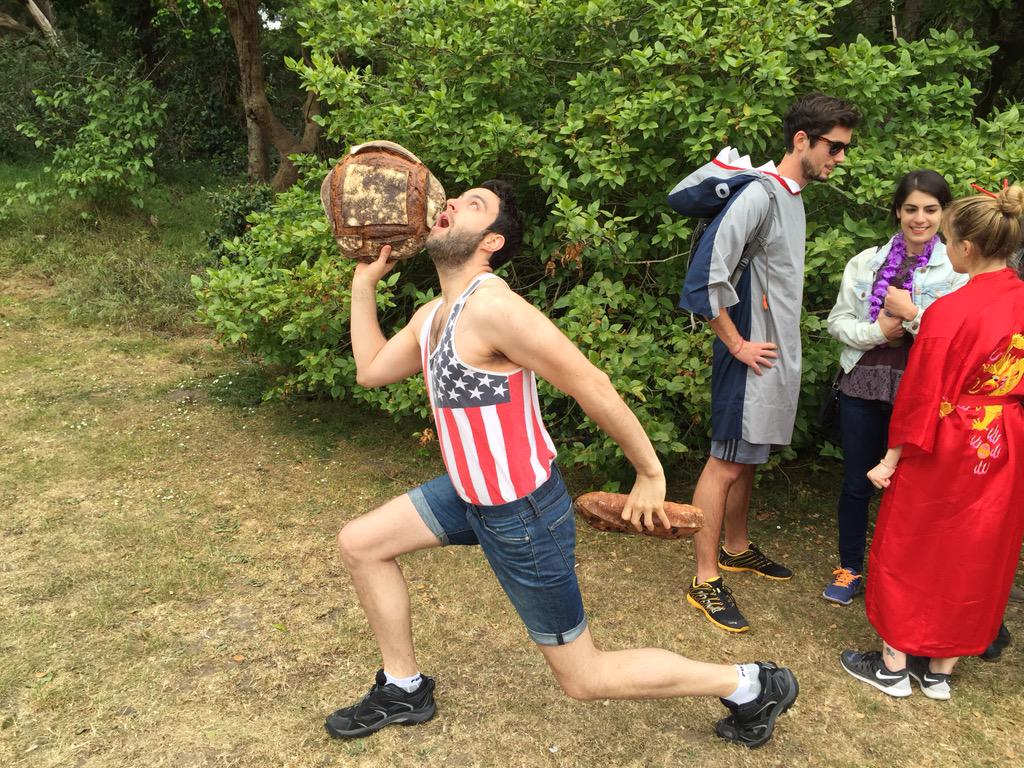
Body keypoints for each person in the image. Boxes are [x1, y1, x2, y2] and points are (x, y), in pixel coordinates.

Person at [325, 180, 797, 748]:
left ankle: (749, 682)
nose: (449, 204)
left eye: (473, 205)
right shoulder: (434, 315)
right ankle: (404, 688)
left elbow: (589, 384)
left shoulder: (496, 309)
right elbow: (372, 368)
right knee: (361, 543)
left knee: (583, 677)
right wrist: (362, 284)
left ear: (491, 240)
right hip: (469, 494)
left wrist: (649, 473)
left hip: (521, 513)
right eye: (455, 198)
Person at [678, 93, 860, 632]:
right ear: (801, 140)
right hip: (749, 357)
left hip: (774, 358)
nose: (840, 158)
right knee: (726, 460)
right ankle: (704, 578)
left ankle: (735, 547)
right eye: (834, 146)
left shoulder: (793, 197)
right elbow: (705, 276)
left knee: (749, 457)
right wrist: (735, 344)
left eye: (845, 149)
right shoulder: (758, 195)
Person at [840, 183, 1024, 701]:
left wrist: (890, 458)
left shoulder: (949, 312)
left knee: (912, 540)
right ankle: (941, 671)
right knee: (978, 547)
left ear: (965, 248)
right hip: (1004, 438)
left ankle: (895, 664)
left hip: (947, 436)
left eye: (947, 238)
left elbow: (923, 396)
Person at [822, 170, 967, 605]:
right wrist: (878, 332)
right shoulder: (866, 262)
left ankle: (901, 576)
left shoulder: (959, 271)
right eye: (910, 209)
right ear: (897, 212)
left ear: (944, 214)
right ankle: (850, 568)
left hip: (924, 392)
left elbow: (959, 340)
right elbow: (837, 322)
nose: (919, 219)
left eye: (930, 209)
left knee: (915, 489)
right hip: (864, 385)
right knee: (855, 483)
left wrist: (914, 316)